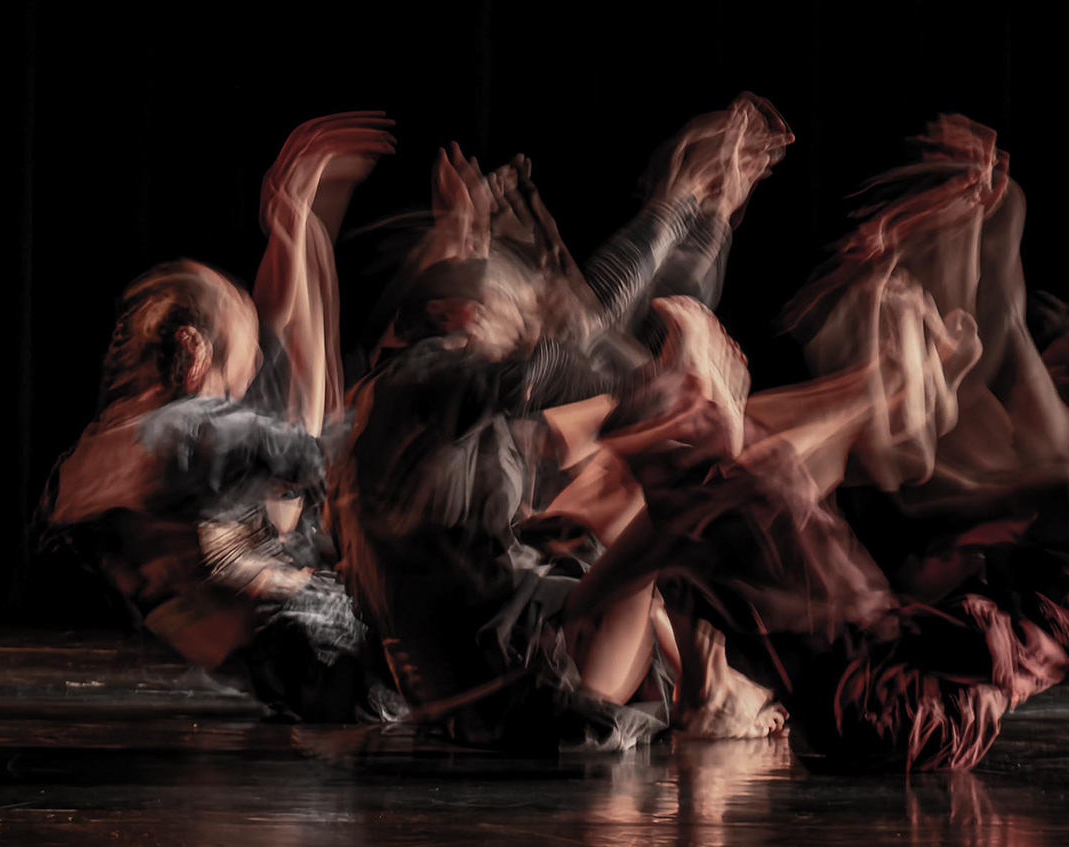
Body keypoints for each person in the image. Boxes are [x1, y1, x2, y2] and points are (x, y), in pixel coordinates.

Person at [566, 114, 1069, 770]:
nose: (1045, 395)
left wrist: (990, 218)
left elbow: (938, 466)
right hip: (914, 706)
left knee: (752, 477)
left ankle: (623, 590)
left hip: (895, 699)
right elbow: (993, 358)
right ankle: (678, 654)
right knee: (745, 495)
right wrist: (973, 224)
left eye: (1066, 382)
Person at [329, 94, 793, 751]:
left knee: (634, 448)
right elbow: (579, 340)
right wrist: (684, 204)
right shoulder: (425, 387)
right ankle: (708, 689)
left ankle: (697, 669)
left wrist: (699, 217)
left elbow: (591, 376)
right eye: (502, 308)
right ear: (453, 319)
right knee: (681, 456)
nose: (521, 321)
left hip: (466, 689)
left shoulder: (402, 406)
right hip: (526, 688)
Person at [40, 112, 404, 724]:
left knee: (300, 396)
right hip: (334, 664)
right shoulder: (197, 434)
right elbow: (313, 440)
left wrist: (297, 221)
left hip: (277, 654)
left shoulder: (127, 435)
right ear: (197, 353)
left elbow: (272, 327)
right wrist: (302, 226)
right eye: (244, 353)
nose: (259, 358)